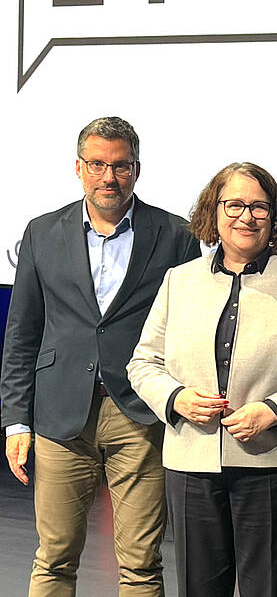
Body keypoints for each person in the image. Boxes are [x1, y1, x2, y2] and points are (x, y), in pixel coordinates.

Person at [128, 162, 277, 597]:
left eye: (259, 207)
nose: (246, 216)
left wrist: (274, 411)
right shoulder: (179, 281)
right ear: (213, 212)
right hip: (192, 464)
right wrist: (176, 398)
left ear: (274, 216)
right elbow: (143, 363)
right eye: (234, 205)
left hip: (274, 463)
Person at [0, 116, 200, 596]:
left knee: (142, 564)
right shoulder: (43, 232)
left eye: (120, 166)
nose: (109, 177)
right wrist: (16, 421)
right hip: (58, 412)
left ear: (137, 169)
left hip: (140, 413)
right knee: (53, 558)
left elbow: (189, 331)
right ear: (78, 167)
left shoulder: (176, 235)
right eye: (97, 164)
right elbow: (22, 333)